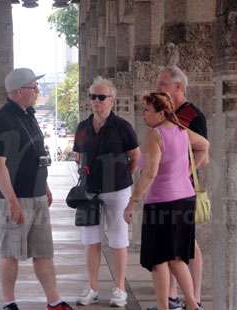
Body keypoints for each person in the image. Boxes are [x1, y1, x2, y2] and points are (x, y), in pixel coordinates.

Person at [0, 68, 74, 310]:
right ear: (18, 91)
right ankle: (9, 302)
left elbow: (36, 154)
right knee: (11, 251)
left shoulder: (29, 115)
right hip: (15, 197)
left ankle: (54, 301)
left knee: (43, 251)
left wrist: (44, 184)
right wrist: (12, 201)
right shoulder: (2, 119)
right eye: (33, 87)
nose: (37, 91)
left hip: (36, 193)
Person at [123, 92, 209, 310]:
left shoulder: (156, 134)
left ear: (161, 113)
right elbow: (204, 145)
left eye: (147, 110)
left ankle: (164, 307)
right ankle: (192, 304)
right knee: (176, 258)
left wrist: (132, 202)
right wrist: (185, 172)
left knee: (158, 260)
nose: (143, 114)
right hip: (184, 198)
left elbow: (150, 173)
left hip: (163, 202)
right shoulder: (181, 129)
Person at [72, 77, 141, 307]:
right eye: (93, 97)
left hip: (117, 189)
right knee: (91, 240)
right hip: (90, 191)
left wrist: (123, 177)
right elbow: (79, 156)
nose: (96, 101)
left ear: (112, 99)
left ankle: (120, 288)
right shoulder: (83, 127)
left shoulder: (123, 127)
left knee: (118, 239)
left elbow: (135, 157)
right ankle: (92, 287)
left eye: (101, 97)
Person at [155, 65, 207, 310]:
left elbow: (203, 153)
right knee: (171, 245)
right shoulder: (166, 113)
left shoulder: (193, 115)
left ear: (178, 87)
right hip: (165, 189)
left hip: (183, 190)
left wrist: (183, 175)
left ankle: (194, 298)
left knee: (189, 244)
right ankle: (172, 296)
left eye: (163, 84)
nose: (158, 88)